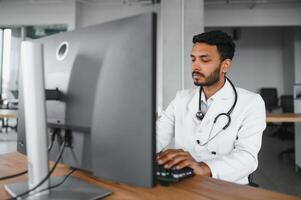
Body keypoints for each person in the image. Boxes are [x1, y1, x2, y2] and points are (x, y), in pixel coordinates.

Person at [156, 30, 266, 184]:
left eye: (204, 60)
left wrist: (203, 168)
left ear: (225, 65)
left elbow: (247, 157)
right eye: (193, 59)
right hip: (184, 182)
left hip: (228, 187)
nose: (196, 66)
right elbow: (157, 135)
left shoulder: (251, 102)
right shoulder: (181, 98)